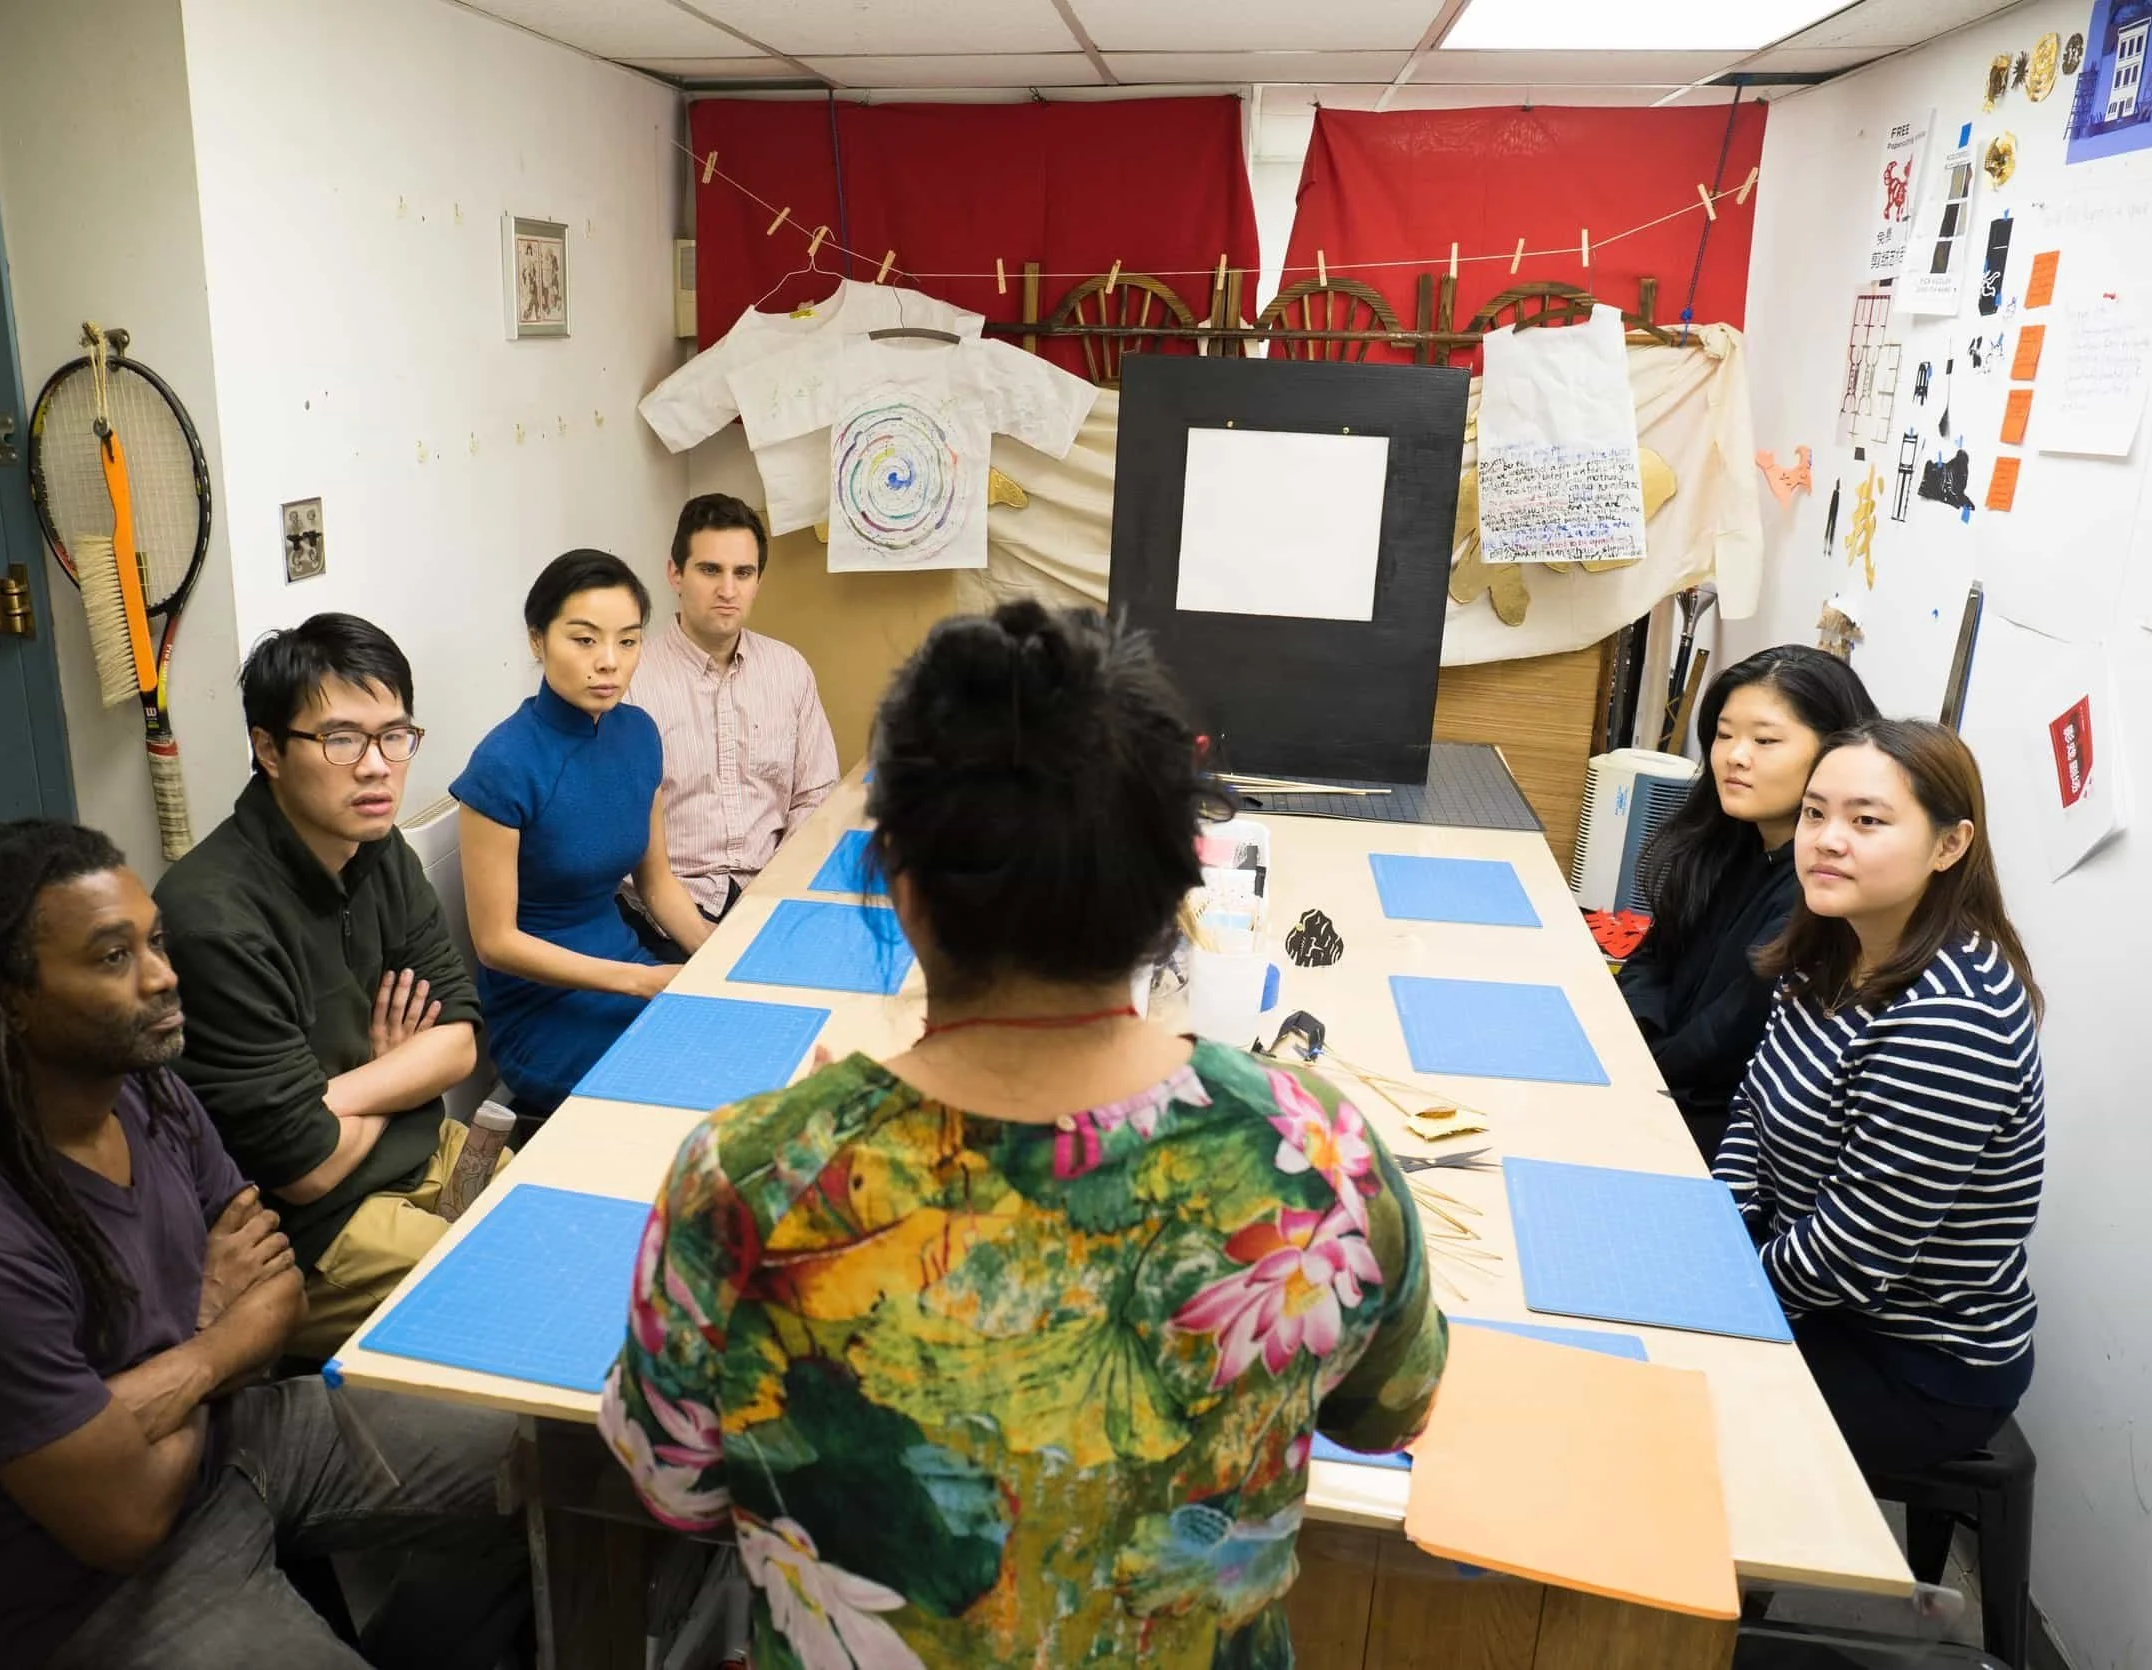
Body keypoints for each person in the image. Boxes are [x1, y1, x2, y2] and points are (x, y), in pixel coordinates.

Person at [600, 602, 1446, 1668]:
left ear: (897, 878)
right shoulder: (1313, 1152)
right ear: (1179, 880)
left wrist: (825, 1140)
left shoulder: (753, 1178)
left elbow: (674, 1483)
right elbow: (1392, 1410)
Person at [0, 820, 529, 1670]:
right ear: (6, 999)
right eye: (113, 957)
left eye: (156, 943)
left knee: (553, 1460)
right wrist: (210, 1336)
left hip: (237, 1437)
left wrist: (148, 1390)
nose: (164, 975)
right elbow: (126, 1521)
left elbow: (277, 1290)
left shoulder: (148, 1092)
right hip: (80, 1590)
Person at [1717, 720, 2046, 1477]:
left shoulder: (1952, 1021)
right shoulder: (1835, 944)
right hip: (1814, 1296)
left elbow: (1855, 1254)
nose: (1827, 840)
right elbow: (1752, 1111)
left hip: (1911, 1359)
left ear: (1949, 845)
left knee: (1664, 1403)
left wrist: (1722, 1290)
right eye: (1814, 813)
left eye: (1867, 821)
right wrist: (1717, 1227)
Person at [154, 614, 484, 1357]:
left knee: (585, 1223)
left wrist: (343, 1093)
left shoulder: (376, 847)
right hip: (314, 1232)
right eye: (341, 740)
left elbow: (458, 1042)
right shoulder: (213, 918)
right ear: (269, 749)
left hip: (423, 1148)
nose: (376, 767)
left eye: (394, 736)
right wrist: (393, 1073)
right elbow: (305, 1169)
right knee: (520, 1285)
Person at [456, 549, 714, 1116]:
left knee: (746, 1050)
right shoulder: (503, 763)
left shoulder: (639, 733)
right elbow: (495, 943)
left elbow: (658, 883)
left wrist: (717, 956)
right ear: (537, 640)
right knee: (695, 1085)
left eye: (628, 641)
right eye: (584, 640)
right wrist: (638, 982)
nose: (609, 662)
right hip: (542, 1013)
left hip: (628, 970)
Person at [1620, 645, 1878, 1160]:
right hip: (1652, 1080)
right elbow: (1653, 958)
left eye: (1765, 740)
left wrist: (1632, 1070)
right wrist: (1629, 1036)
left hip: (1716, 1131)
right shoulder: (1727, 842)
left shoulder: (1825, 890)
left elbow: (1726, 1038)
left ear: (1835, 753)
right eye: (1724, 735)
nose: (1735, 756)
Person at [624, 493, 839, 952]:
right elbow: (621, 838)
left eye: (743, 573)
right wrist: (705, 941)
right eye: (710, 570)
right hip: (669, 911)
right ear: (675, 574)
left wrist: (780, 893)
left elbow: (816, 797)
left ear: (759, 580)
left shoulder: (789, 670)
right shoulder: (631, 681)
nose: (728, 590)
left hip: (776, 896)